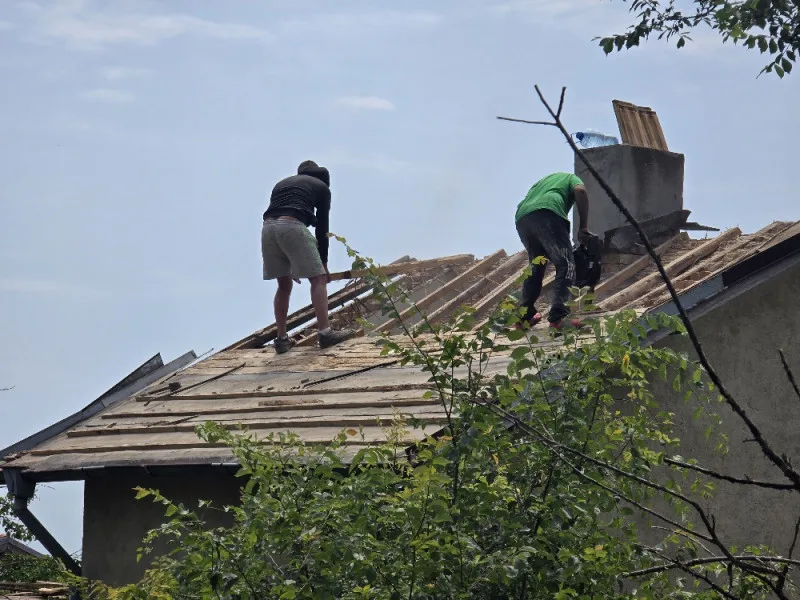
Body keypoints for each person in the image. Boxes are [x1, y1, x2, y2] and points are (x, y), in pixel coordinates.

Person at [262, 160, 355, 353]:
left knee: (283, 285)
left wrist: (292, 262)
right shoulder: (322, 188)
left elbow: (283, 216)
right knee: (318, 279)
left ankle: (281, 339)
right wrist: (323, 263)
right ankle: (326, 333)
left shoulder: (283, 184)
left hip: (267, 229)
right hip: (291, 225)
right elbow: (322, 228)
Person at [514, 172, 590, 330]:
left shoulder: (540, 185)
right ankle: (559, 317)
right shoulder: (570, 178)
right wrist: (583, 226)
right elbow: (580, 191)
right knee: (566, 264)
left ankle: (524, 316)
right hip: (548, 212)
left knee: (537, 264)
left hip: (523, 217)